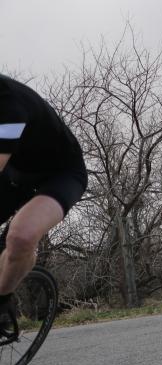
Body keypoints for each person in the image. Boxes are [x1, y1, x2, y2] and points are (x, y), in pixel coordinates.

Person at [0, 74, 88, 332]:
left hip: (61, 175)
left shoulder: (9, 104)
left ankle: (1, 302)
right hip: (16, 173)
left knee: (21, 237)